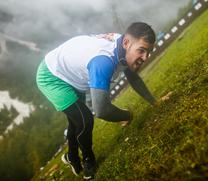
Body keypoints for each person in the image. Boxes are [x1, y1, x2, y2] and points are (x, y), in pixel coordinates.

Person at [36, 22, 156, 179]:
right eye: (141, 51)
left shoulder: (123, 45)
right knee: (85, 119)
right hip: (51, 76)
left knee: (76, 120)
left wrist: (155, 102)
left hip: (69, 68)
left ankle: (71, 156)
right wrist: (127, 115)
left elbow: (133, 77)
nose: (145, 57)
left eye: (148, 51)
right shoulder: (103, 61)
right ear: (126, 43)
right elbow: (102, 110)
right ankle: (88, 159)